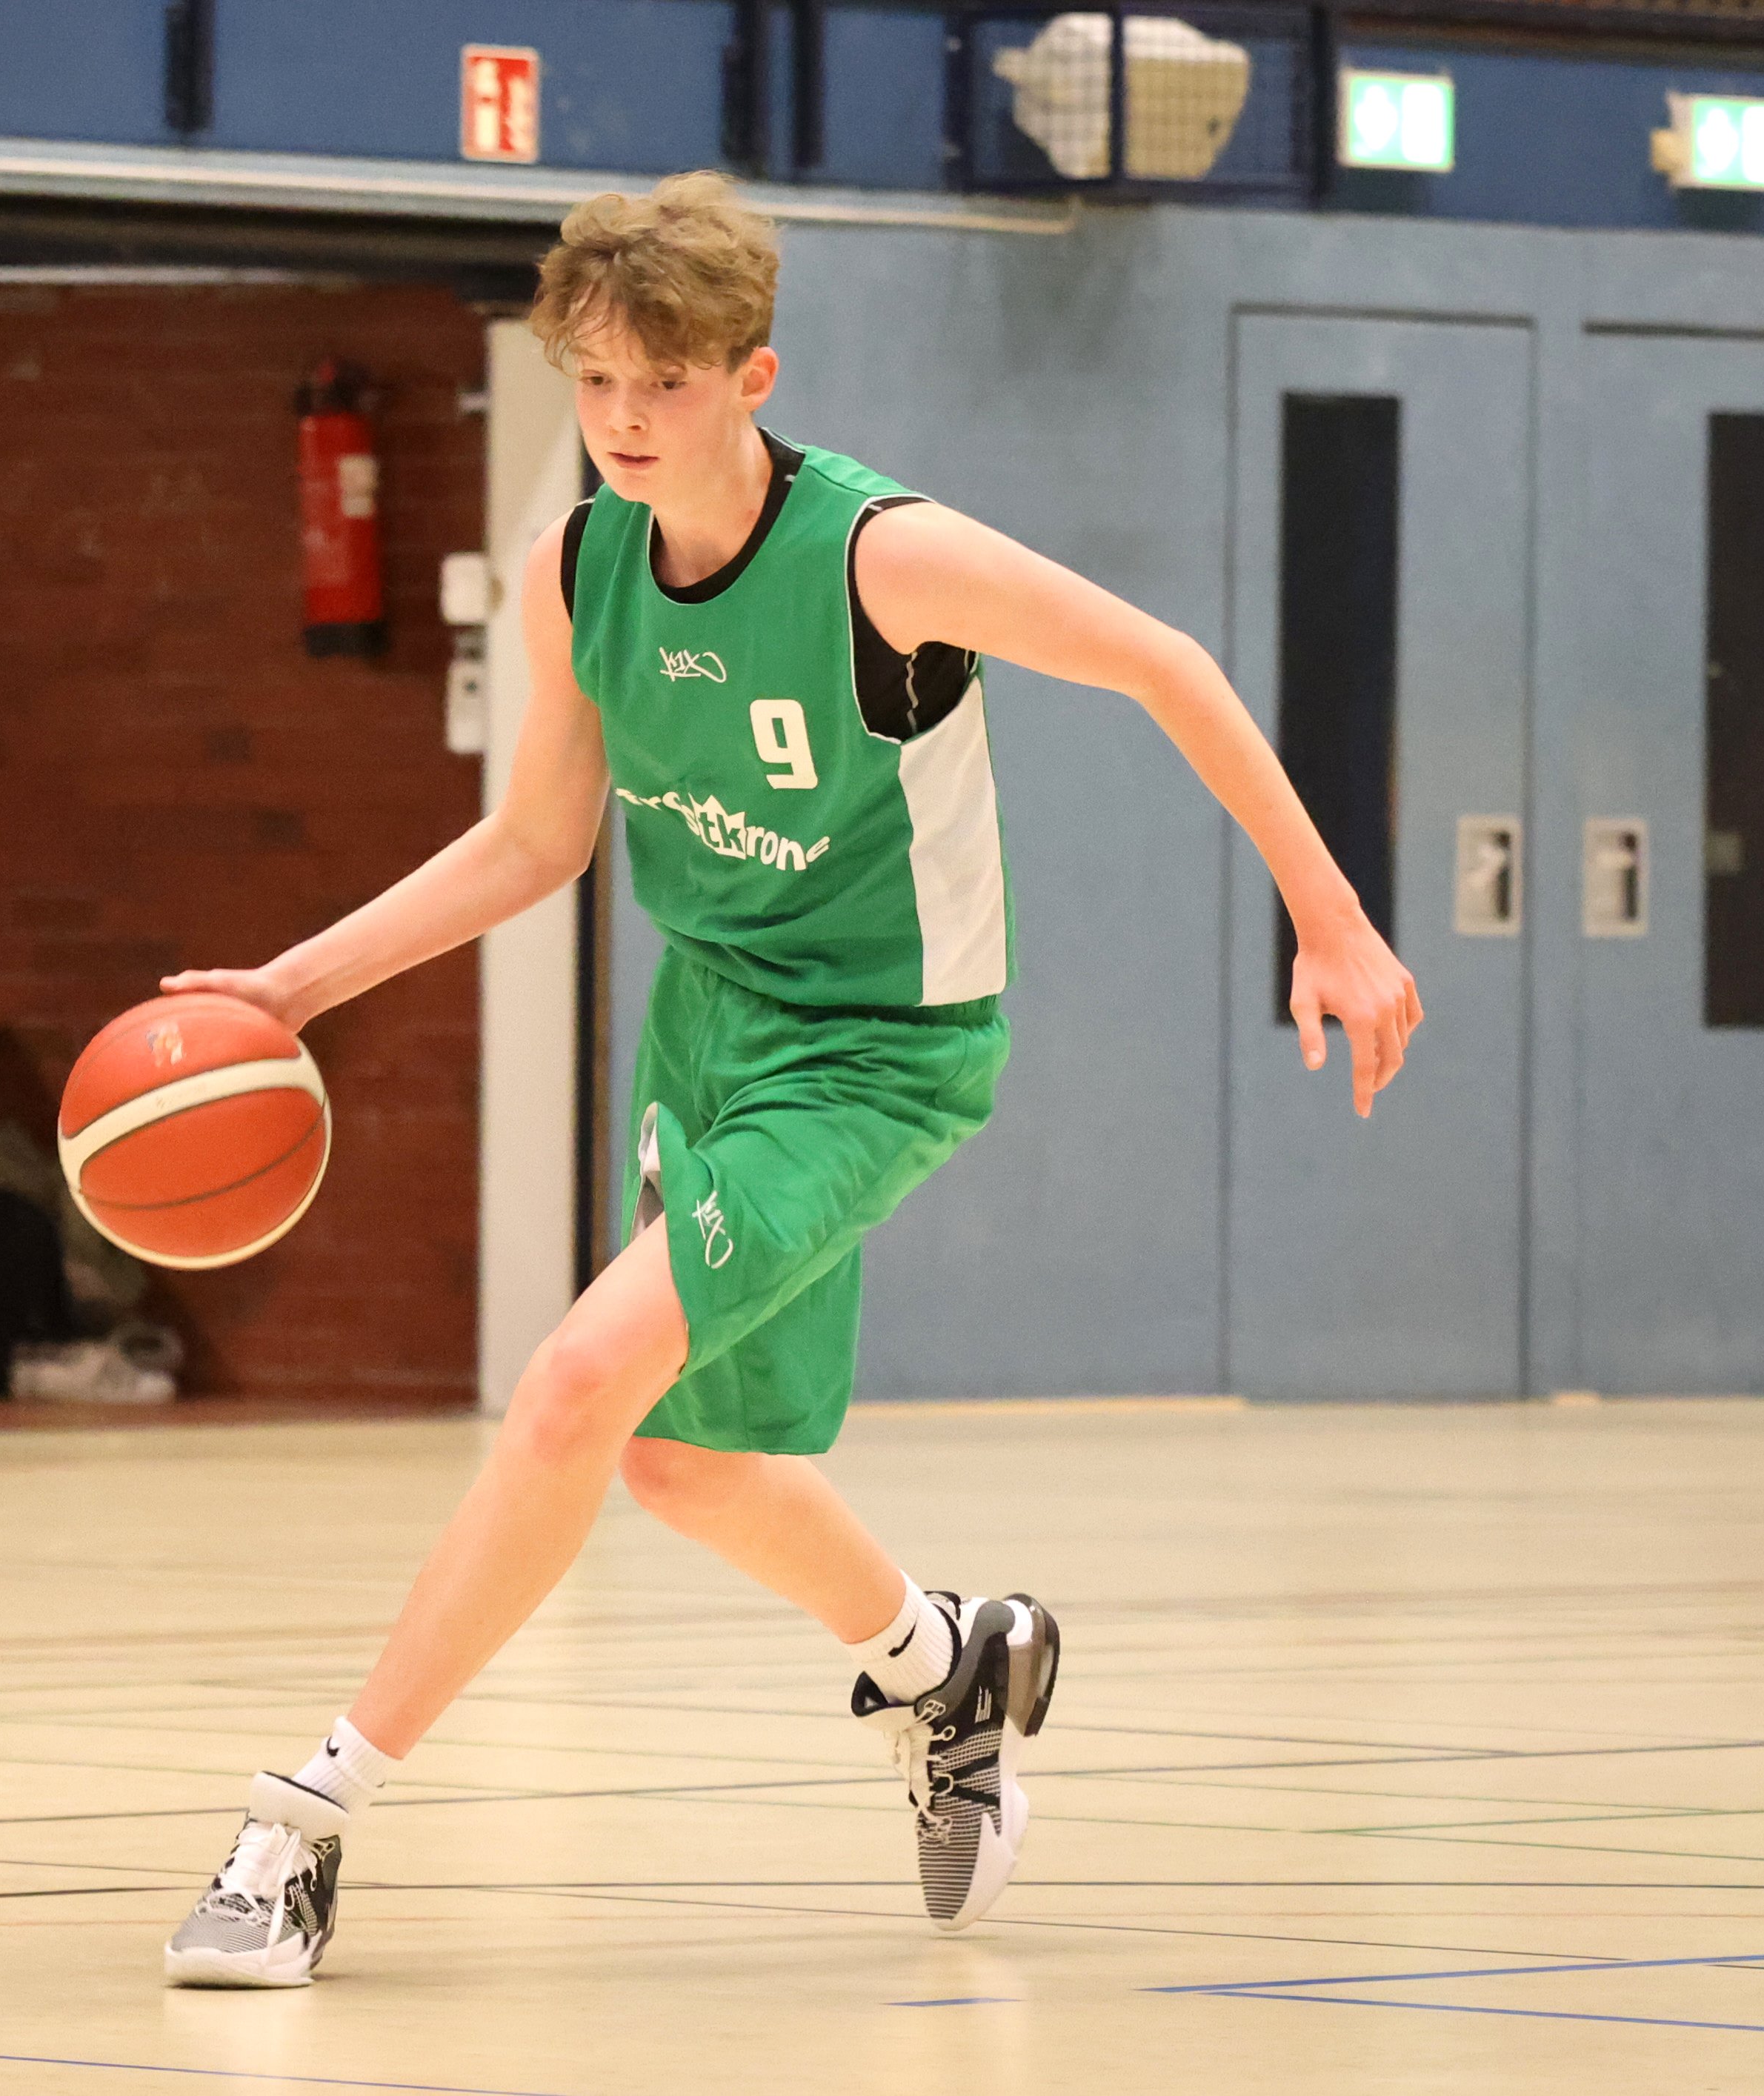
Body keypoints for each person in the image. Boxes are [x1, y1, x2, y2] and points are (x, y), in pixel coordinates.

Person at [156, 170, 1422, 1987]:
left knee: (576, 1379)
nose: (623, 420)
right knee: (687, 1461)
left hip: (880, 1051)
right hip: (713, 1025)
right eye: (596, 382)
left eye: (663, 383)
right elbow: (533, 844)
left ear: (753, 377)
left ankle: (309, 1816)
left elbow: (1166, 662)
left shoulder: (878, 557)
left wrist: (1333, 914)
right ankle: (943, 1662)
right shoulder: (577, 567)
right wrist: (292, 987)